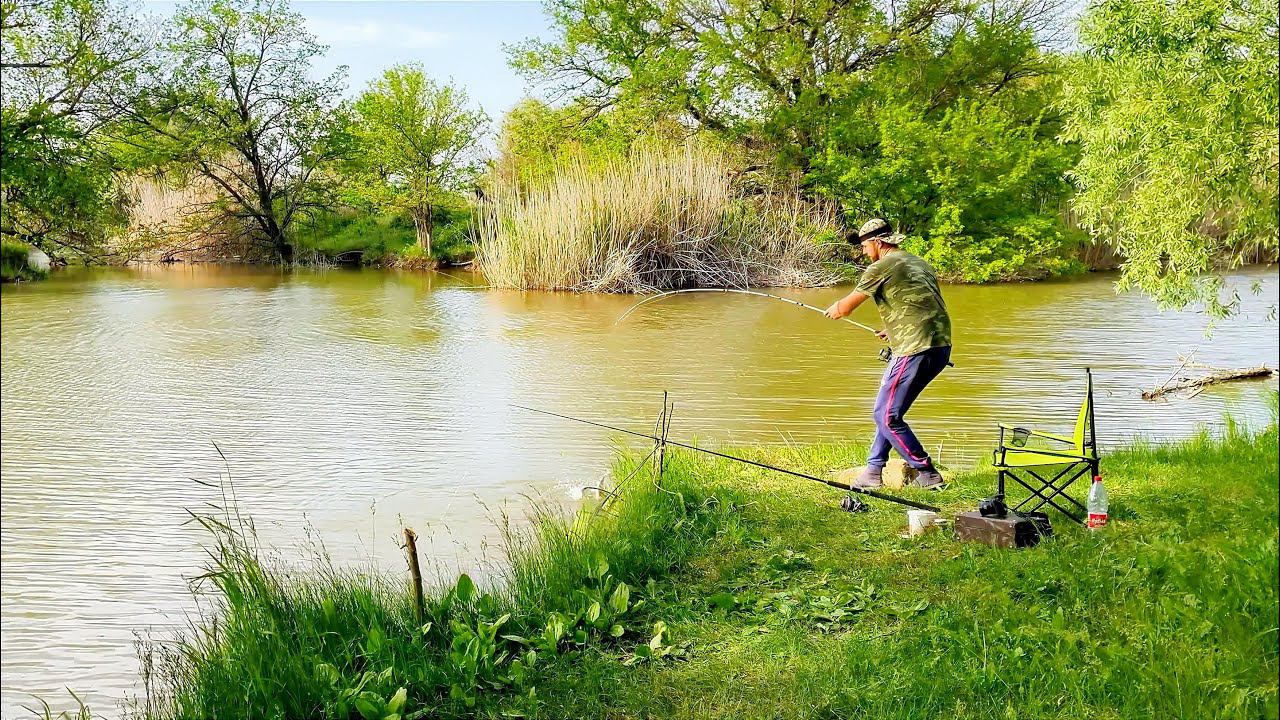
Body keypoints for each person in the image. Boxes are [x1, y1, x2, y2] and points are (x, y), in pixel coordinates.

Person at [825, 218, 952, 489]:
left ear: (878, 242)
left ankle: (927, 472)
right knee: (889, 412)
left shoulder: (880, 266)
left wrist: (836, 308)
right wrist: (891, 328)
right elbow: (923, 303)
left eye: (864, 245)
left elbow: (846, 308)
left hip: (914, 348)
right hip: (939, 346)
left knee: (886, 415)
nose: (862, 251)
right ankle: (873, 472)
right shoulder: (918, 263)